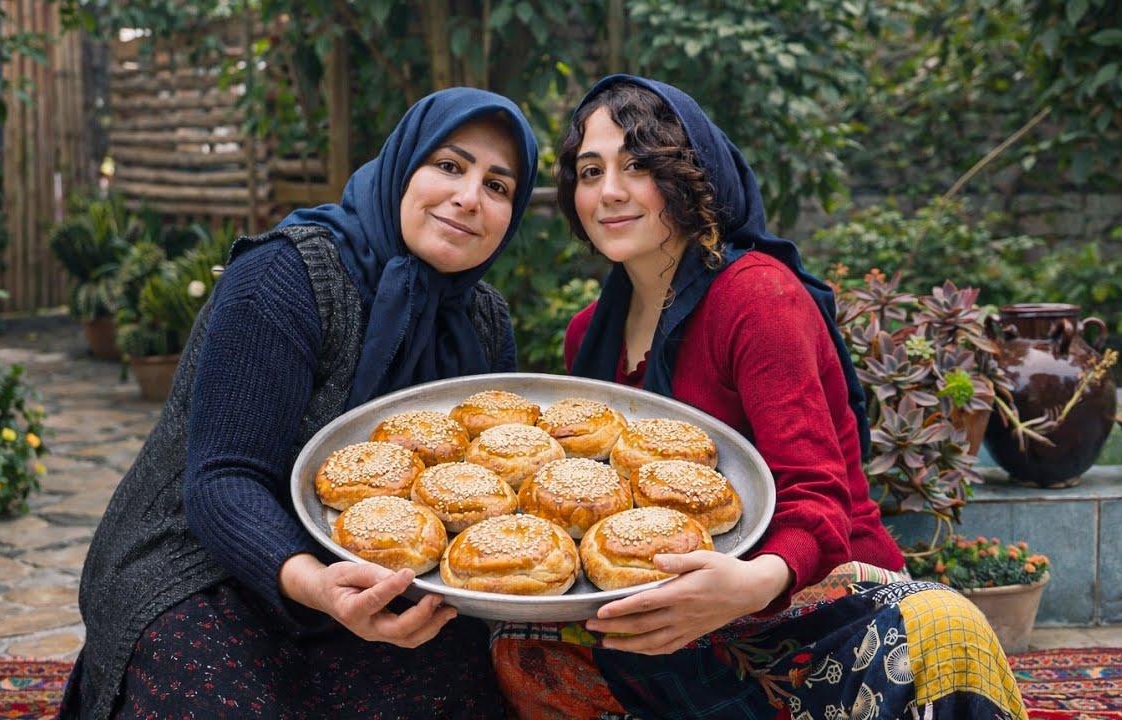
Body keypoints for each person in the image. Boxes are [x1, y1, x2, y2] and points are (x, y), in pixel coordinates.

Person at [491, 75, 1027, 720]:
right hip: (670, 595)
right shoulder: (590, 332)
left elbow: (817, 494)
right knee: (521, 641)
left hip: (808, 590)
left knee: (943, 627)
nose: (609, 191)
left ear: (690, 176)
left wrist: (750, 584)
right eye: (589, 170)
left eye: (638, 165)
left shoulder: (756, 298)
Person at [60, 87, 538, 719]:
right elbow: (223, 477)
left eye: (498, 186)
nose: (469, 197)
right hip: (203, 560)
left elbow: (484, 485)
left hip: (383, 570)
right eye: (449, 166)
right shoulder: (284, 277)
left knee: (458, 697)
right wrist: (312, 581)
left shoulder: (481, 320)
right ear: (403, 166)